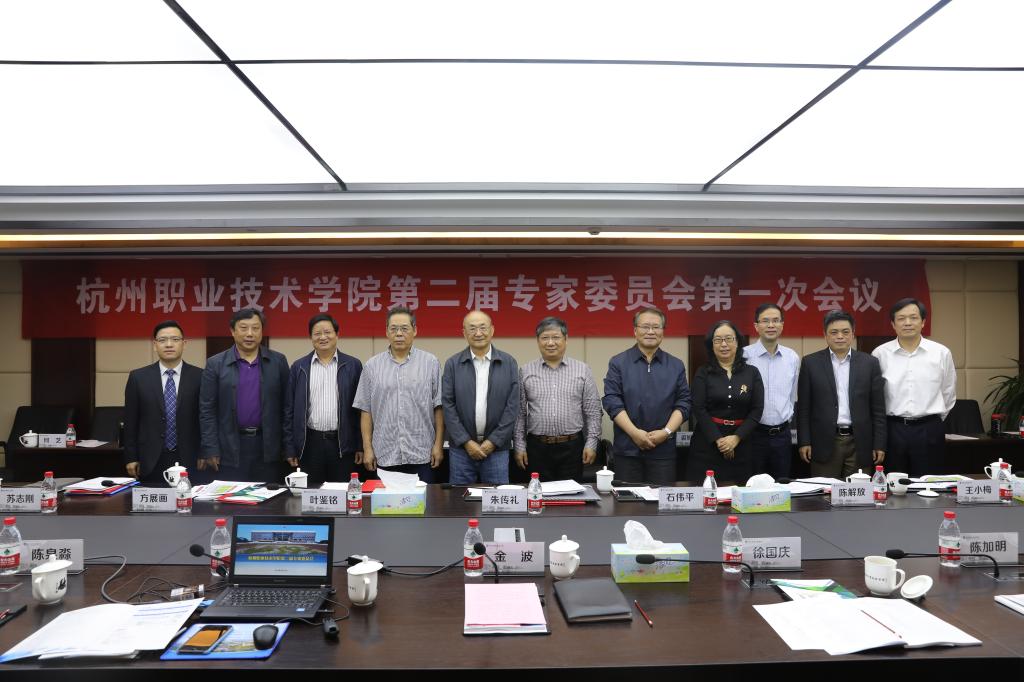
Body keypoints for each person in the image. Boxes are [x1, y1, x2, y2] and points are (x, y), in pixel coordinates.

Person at [353, 306, 444, 482]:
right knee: (387, 500)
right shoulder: (372, 366)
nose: (399, 334)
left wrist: (438, 445)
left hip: (422, 453)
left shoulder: (430, 363)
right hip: (385, 453)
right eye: (394, 329)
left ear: (415, 330)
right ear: (386, 332)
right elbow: (366, 410)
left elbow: (438, 407)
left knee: (423, 500)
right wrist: (367, 448)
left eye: (404, 328)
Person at [198, 308, 290, 482]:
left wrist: (288, 447)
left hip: (268, 446)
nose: (250, 334)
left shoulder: (278, 362)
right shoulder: (215, 364)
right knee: (232, 497)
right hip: (229, 446)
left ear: (262, 331)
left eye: (255, 328)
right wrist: (210, 448)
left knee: (268, 496)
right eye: (243, 328)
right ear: (232, 331)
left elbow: (287, 407)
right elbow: (207, 410)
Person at [602, 307, 690, 485]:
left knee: (661, 499)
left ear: (663, 332)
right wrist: (635, 434)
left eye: (656, 327)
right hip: (627, 450)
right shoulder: (618, 362)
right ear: (635, 331)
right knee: (627, 500)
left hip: (663, 451)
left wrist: (665, 432)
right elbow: (612, 401)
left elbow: (684, 402)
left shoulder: (676, 365)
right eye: (645, 327)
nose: (650, 331)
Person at [797, 310, 887, 479]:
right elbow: (804, 408)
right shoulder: (810, 363)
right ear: (825, 335)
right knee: (824, 491)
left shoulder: (869, 363)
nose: (840, 336)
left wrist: (879, 444)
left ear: (853, 334)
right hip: (824, 441)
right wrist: (804, 441)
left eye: (845, 332)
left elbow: (878, 409)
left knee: (859, 492)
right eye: (834, 332)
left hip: (860, 442)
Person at [872, 297, 956, 477]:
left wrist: (931, 420)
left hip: (929, 429)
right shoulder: (880, 354)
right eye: (901, 318)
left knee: (929, 483)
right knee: (893, 484)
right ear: (893, 324)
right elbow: (874, 396)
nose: (908, 323)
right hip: (893, 429)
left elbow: (948, 392)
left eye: (913, 317)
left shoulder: (941, 353)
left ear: (923, 322)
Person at [514, 317, 602, 481]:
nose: (550, 343)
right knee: (539, 493)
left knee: (571, 494)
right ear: (538, 341)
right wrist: (519, 446)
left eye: (556, 337)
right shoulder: (525, 371)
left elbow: (593, 411)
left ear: (566, 339)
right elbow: (519, 413)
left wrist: (591, 443)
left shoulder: (582, 370)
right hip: (537, 447)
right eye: (545, 338)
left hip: (572, 447)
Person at [283, 314, 363, 486]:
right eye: (317, 333)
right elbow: (289, 410)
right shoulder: (299, 367)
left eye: (327, 332)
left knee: (342, 493)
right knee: (311, 495)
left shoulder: (353, 365)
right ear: (310, 337)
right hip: (310, 444)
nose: (323, 337)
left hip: (343, 445)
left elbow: (360, 410)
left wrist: (360, 445)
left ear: (337, 334)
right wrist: (290, 447)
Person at [441, 310, 520, 485]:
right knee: (459, 498)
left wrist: (493, 441)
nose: (478, 333)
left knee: (497, 498)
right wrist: (466, 442)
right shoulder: (453, 364)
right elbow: (448, 405)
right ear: (464, 333)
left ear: (492, 330)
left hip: (497, 450)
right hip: (461, 450)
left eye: (483, 327)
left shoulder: (508, 362)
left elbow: (513, 406)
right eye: (472, 328)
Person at [122, 320, 202, 486]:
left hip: (190, 457)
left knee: (189, 501)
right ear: (155, 345)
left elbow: (206, 419)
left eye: (175, 339)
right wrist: (131, 457)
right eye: (162, 340)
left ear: (184, 344)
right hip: (150, 458)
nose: (169, 344)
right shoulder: (138, 377)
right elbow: (130, 421)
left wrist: (205, 452)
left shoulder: (200, 376)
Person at [687, 320, 764, 484]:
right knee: (707, 492)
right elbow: (698, 408)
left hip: (743, 443)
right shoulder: (703, 372)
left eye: (729, 339)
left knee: (741, 492)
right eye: (718, 340)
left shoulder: (752, 373)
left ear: (737, 342)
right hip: (707, 443)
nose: (724, 344)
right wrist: (719, 440)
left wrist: (736, 438)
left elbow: (757, 410)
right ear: (711, 345)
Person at [743, 303, 800, 479]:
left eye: (776, 320)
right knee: (752, 486)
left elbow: (792, 395)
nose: (771, 325)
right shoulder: (744, 356)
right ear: (756, 326)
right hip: (752, 435)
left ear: (782, 325)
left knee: (782, 486)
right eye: (765, 321)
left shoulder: (792, 357)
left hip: (782, 436)